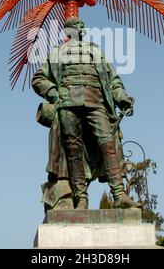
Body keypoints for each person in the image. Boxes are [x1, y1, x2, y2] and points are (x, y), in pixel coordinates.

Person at [32, 17, 142, 210]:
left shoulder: (97, 52)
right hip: (68, 104)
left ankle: (119, 194)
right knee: (73, 151)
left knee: (108, 144)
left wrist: (122, 97)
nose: (79, 27)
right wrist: (55, 93)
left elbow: (113, 81)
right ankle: (81, 198)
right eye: (75, 25)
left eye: (81, 25)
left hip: (96, 103)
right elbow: (39, 78)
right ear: (67, 32)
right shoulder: (56, 53)